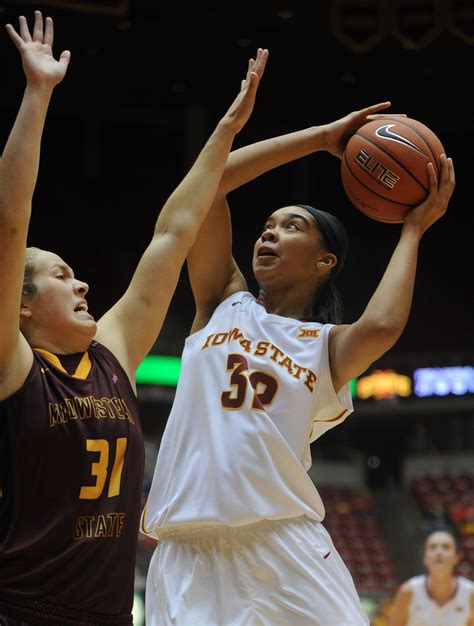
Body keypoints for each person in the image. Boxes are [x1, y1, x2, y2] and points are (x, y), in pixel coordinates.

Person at [140, 60, 455, 626]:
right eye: (267, 225)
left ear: (324, 260)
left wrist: (412, 230)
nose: (268, 232)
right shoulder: (221, 301)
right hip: (185, 547)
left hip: (283, 542)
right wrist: (321, 140)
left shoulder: (323, 345)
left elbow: (381, 326)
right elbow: (209, 185)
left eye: (290, 226)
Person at [0, 10, 267, 626]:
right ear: (20, 303)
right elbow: (11, 220)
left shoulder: (110, 354)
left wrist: (228, 127)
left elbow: (174, 233)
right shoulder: (17, 368)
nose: (83, 281)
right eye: (62, 275)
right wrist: (38, 95)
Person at [389, 529, 474, 626]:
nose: (439, 552)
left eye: (446, 547)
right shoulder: (408, 591)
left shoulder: (470, 594)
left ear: (457, 557)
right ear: (425, 557)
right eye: (432, 547)